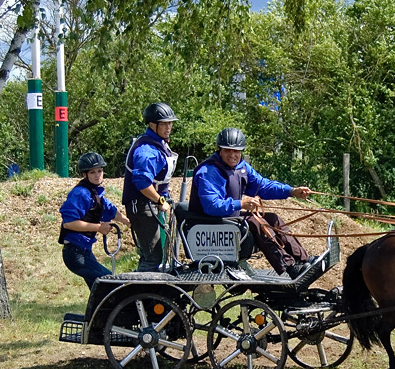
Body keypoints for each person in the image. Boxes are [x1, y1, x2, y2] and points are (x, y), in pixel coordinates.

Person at [189, 127, 313, 278]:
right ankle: (290, 267)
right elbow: (212, 206)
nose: (233, 155)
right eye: (228, 150)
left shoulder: (242, 167)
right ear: (220, 149)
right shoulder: (209, 172)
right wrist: (240, 203)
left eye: (237, 151)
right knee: (255, 222)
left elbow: (263, 186)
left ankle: (303, 260)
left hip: (229, 219)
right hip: (209, 224)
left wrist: (291, 191)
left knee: (272, 218)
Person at [122, 102, 180, 272]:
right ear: (152, 124)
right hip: (143, 206)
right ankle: (138, 295)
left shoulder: (159, 144)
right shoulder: (147, 150)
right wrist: (160, 199)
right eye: (164, 123)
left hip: (149, 206)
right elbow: (141, 183)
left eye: (170, 123)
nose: (168, 127)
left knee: (153, 256)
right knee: (153, 258)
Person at [59, 152, 130, 290]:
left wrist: (128, 222)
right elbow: (69, 223)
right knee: (112, 284)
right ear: (84, 175)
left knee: (99, 291)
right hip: (75, 254)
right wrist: (98, 227)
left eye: (100, 171)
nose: (97, 175)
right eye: (92, 172)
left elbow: (111, 211)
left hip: (85, 252)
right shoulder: (80, 193)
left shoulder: (95, 193)